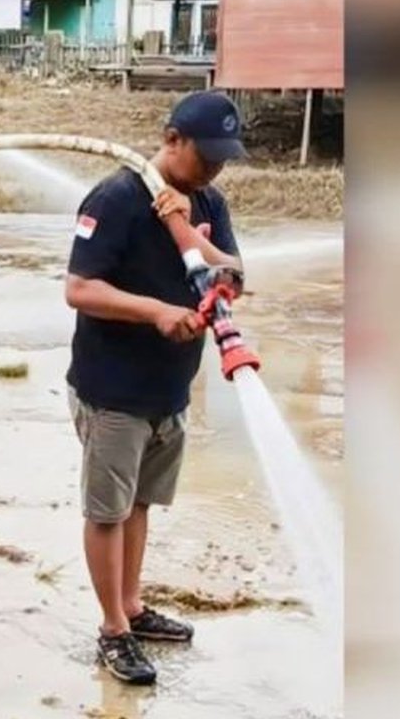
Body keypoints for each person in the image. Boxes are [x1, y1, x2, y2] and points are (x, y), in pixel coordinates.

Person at [63, 91, 246, 685]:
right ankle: (113, 630)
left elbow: (233, 276)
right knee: (108, 512)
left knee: (138, 504)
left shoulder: (207, 201)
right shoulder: (116, 197)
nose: (214, 169)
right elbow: (79, 289)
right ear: (171, 139)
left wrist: (184, 227)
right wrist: (157, 312)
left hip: (169, 390)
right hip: (114, 389)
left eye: (223, 158)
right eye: (205, 155)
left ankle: (133, 607)